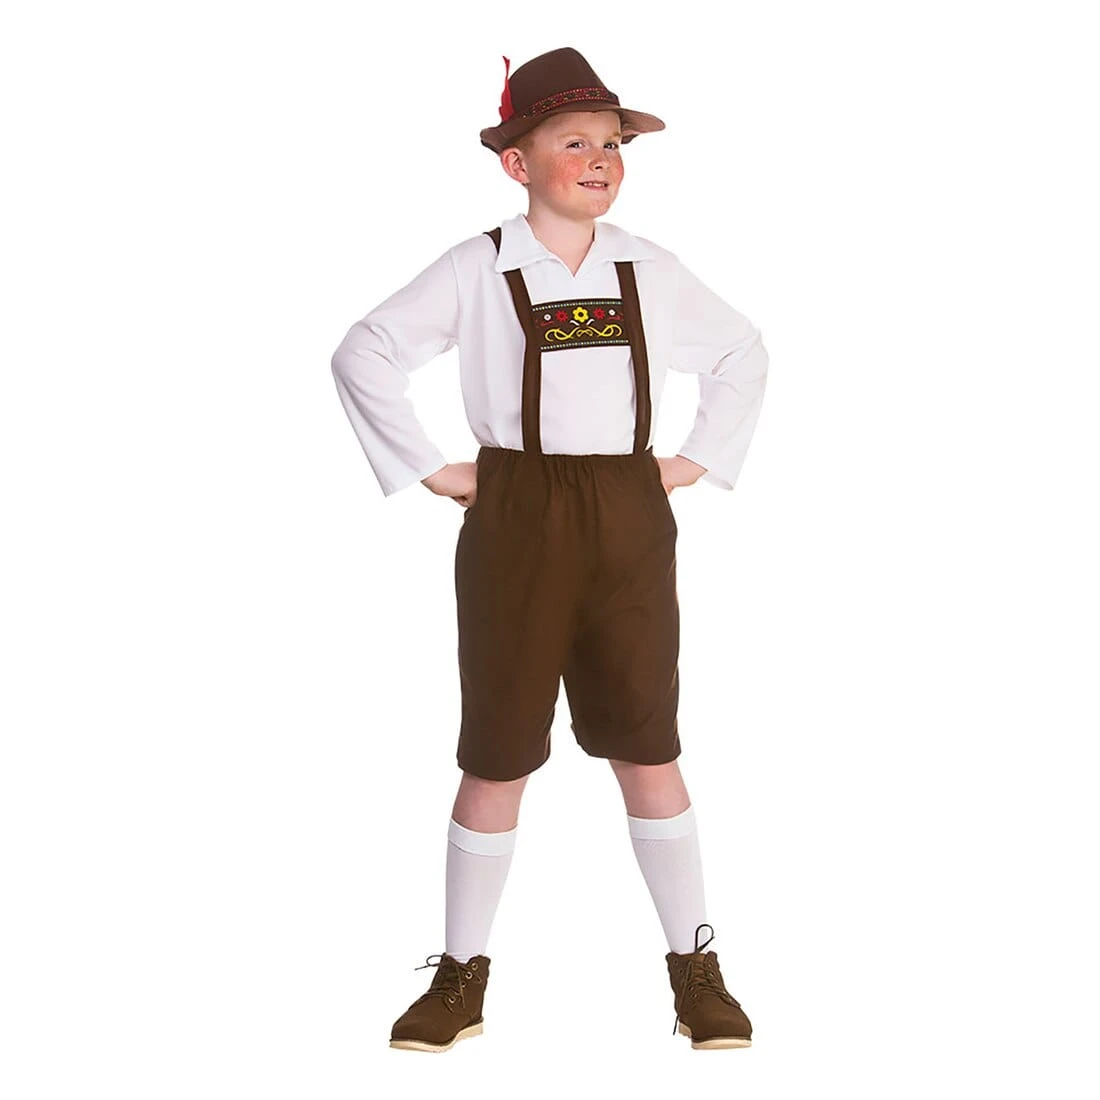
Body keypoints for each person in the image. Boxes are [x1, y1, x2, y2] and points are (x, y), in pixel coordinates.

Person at [330, 46, 769, 1053]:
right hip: (516, 515)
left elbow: (742, 351)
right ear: (516, 164)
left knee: (648, 744)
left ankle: (695, 969)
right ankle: (460, 976)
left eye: (612, 143)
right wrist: (431, 469)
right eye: (574, 142)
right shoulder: (475, 267)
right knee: (496, 751)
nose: (600, 158)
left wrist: (692, 461)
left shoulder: (648, 267)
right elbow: (364, 351)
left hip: (626, 513)